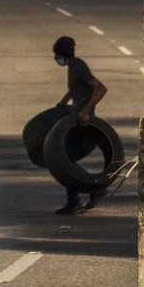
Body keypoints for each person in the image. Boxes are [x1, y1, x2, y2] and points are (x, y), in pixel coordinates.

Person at [52, 36, 108, 215]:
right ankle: (75, 200)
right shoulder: (73, 66)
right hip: (74, 119)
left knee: (67, 161)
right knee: (66, 160)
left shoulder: (80, 66)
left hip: (83, 123)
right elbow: (75, 87)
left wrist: (86, 111)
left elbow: (100, 88)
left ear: (62, 53)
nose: (55, 58)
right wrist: (64, 101)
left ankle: (93, 189)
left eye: (56, 55)